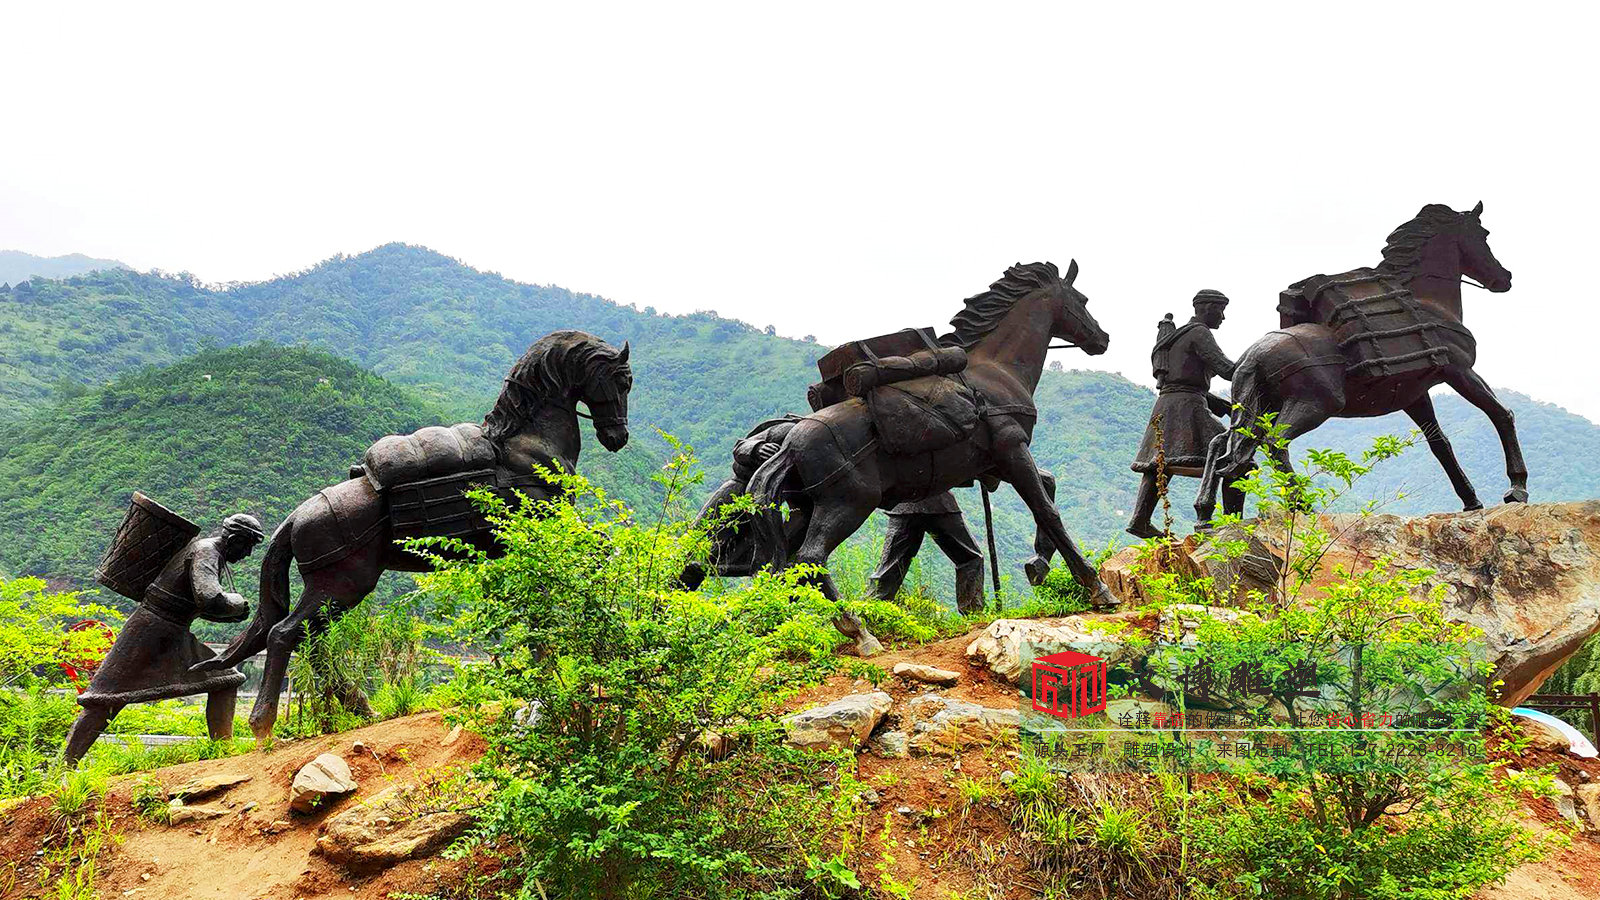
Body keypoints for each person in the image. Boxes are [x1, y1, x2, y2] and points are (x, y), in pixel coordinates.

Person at [62, 513, 266, 764]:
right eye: (247, 546)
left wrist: (232, 613)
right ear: (234, 538)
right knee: (104, 698)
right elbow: (209, 597)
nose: (247, 554)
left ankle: (222, 755)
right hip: (150, 631)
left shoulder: (211, 554)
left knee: (226, 679)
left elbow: (193, 604)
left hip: (173, 631)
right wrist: (237, 603)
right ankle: (64, 766)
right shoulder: (206, 551)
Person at [1128, 289, 1237, 539]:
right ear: (1207, 308)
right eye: (1221, 311)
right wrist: (1257, 366)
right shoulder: (1199, 333)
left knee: (1159, 462)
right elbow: (1227, 369)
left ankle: (1140, 520)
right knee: (1235, 453)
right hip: (1187, 407)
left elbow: (1183, 378)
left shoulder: (1176, 336)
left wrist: (1220, 403)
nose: (1223, 317)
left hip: (1167, 404)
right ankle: (1231, 521)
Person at [867, 493, 985, 614]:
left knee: (890, 566)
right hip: (939, 503)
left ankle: (869, 612)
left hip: (904, 505)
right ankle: (973, 613)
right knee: (971, 558)